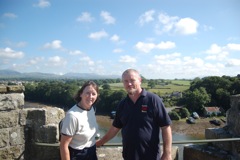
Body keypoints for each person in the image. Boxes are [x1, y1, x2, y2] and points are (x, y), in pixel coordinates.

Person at [96, 69, 172, 160]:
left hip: (151, 156)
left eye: (132, 80)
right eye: (126, 81)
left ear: (140, 80)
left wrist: (167, 154)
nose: (129, 84)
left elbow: (165, 127)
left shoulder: (153, 100)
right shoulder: (122, 104)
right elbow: (115, 128)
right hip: (129, 156)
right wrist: (99, 143)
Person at [60, 81, 100, 160]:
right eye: (87, 93)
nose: (90, 96)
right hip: (77, 155)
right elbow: (63, 145)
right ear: (81, 94)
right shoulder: (72, 116)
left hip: (91, 152)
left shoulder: (92, 109)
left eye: (93, 94)